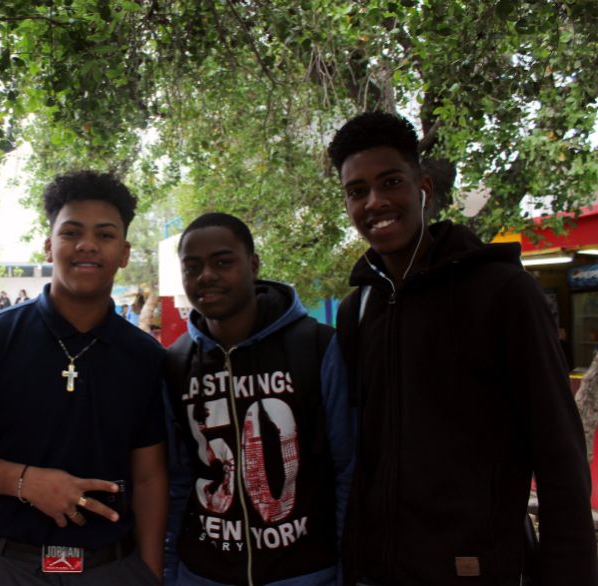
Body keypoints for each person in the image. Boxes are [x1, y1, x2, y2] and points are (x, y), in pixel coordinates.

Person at [328, 111, 598, 585]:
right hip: (377, 571)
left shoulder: (504, 294)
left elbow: (558, 449)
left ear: (423, 188)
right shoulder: (358, 311)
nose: (375, 201)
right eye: (357, 190)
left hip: (478, 569)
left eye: (390, 182)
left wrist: (569, 572)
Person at [0, 170, 168, 585]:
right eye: (71, 232)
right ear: (48, 245)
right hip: (4, 566)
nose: (87, 245)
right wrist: (25, 482)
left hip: (111, 570)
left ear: (124, 253)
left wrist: (149, 573)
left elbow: (148, 477)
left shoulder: (145, 356)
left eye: (105, 235)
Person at [163, 213, 353, 586]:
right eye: (192, 267)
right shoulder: (177, 362)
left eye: (222, 262)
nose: (206, 276)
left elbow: (347, 468)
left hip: (305, 572)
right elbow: (177, 479)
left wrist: (347, 568)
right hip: (204, 573)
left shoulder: (317, 346)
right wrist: (171, 572)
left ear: (253, 265)